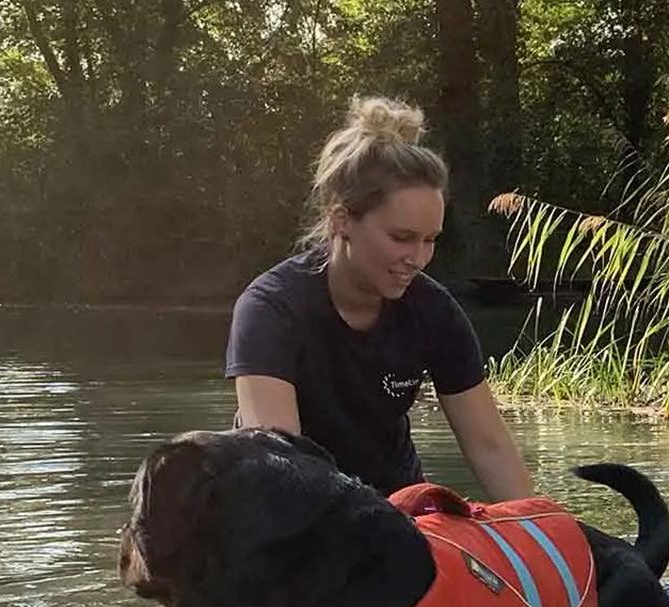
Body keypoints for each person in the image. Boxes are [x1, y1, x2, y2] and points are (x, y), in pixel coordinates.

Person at [224, 95, 534, 500]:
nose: (419, 259)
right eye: (402, 238)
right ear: (342, 221)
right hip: (294, 512)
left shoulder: (434, 311)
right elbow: (283, 471)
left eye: (431, 241)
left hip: (397, 510)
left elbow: (489, 447)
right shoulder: (270, 310)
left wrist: (545, 539)